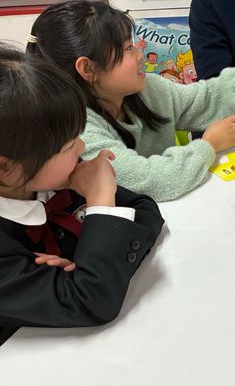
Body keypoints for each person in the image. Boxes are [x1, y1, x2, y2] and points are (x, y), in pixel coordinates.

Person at [27, 0, 235, 202]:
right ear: (88, 69)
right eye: (128, 49)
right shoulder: (77, 131)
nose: (140, 53)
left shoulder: (145, 89)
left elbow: (204, 99)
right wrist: (209, 145)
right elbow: (152, 180)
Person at [0, 46, 163, 345]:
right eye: (67, 146)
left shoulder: (48, 179)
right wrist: (101, 201)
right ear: (5, 168)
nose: (81, 148)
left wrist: (87, 264)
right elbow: (93, 301)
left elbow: (145, 210)